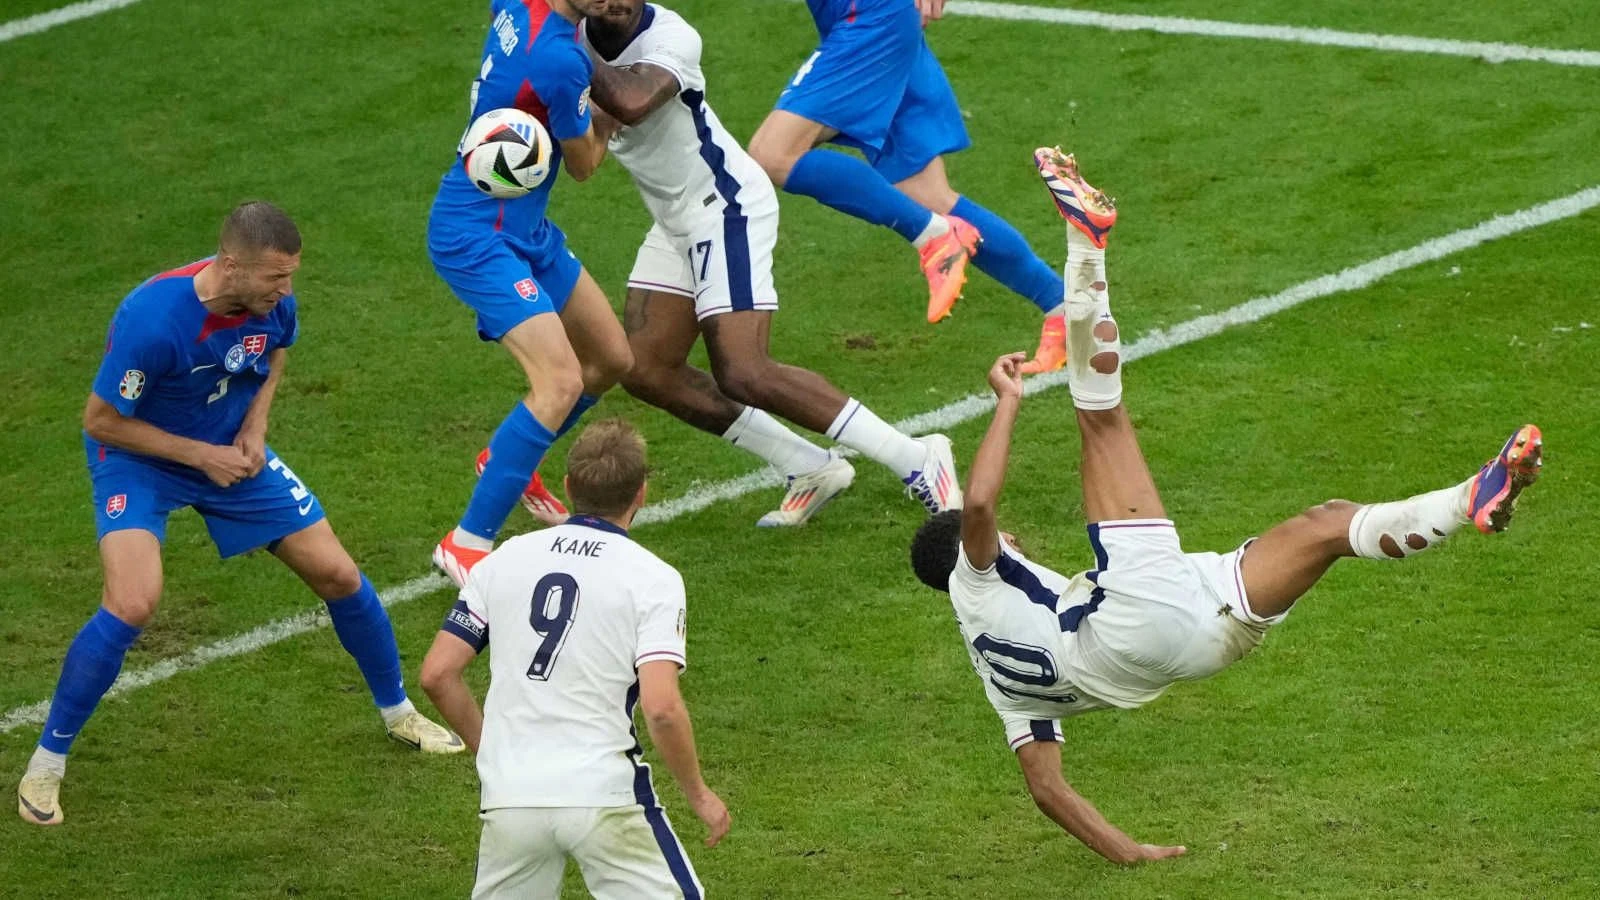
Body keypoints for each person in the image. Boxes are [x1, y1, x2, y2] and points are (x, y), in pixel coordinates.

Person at [907, 151, 1545, 864]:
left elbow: (1047, 790)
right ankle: (1086, 239)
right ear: (963, 555)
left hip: (1193, 650)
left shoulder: (998, 682)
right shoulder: (976, 576)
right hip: (1131, 618)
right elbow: (984, 503)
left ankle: (1471, 499)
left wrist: (1131, 853)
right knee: (1101, 418)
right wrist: (1008, 404)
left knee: (1328, 525)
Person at [17, 203, 463, 828]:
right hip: (139, 457)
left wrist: (255, 425)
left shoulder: (272, 306)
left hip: (230, 450)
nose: (286, 291)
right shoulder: (153, 319)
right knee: (133, 602)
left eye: (291, 277)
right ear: (230, 265)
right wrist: (200, 455)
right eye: (275, 278)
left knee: (338, 574)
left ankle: (398, 714)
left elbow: (277, 351)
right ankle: (46, 763)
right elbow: (101, 421)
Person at [577, 0, 961, 525]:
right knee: (645, 370)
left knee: (744, 370)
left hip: (726, 206)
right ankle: (807, 466)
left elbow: (633, 100)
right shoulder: (570, 35)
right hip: (674, 218)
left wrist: (560, 52)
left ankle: (918, 458)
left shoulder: (670, 36)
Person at [421, 419, 730, 898]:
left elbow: (438, 674)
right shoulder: (653, 578)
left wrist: (494, 753)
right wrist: (698, 794)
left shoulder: (503, 559)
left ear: (568, 487)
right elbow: (662, 708)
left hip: (511, 797)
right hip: (603, 796)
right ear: (641, 493)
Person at [746, 0, 1081, 373]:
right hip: (867, 19)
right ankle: (1064, 307)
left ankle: (935, 237)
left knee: (773, 153)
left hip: (871, 17)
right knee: (928, 197)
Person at [428, 0, 634, 586]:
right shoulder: (561, 59)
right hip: (479, 235)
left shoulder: (518, 6)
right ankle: (466, 543)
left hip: (526, 230)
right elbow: (586, 164)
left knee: (611, 360)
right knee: (561, 381)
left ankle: (509, 458)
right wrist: (611, 112)